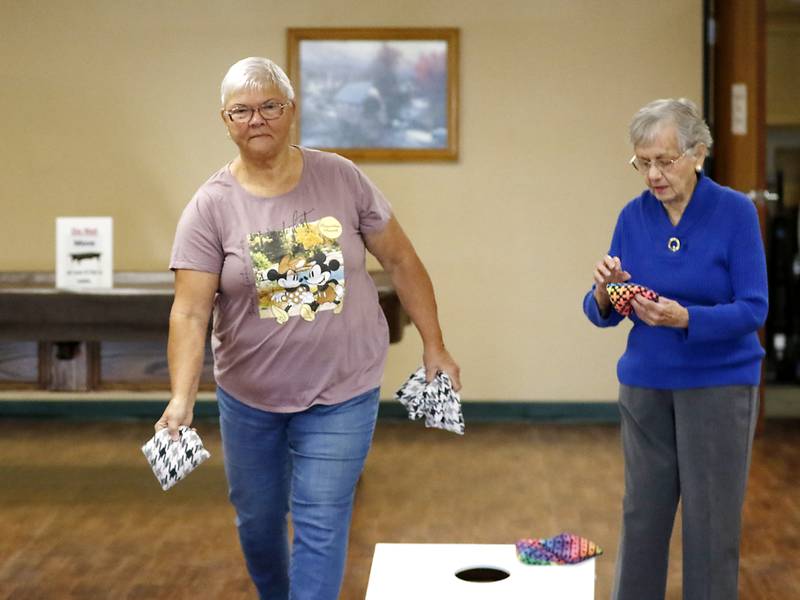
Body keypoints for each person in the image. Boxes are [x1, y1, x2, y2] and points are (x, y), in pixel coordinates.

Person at [154, 56, 460, 600]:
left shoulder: (340, 178)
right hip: (250, 396)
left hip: (343, 388)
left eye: (270, 105)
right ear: (225, 120)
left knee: (322, 517)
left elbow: (403, 261)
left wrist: (435, 346)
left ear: (291, 110)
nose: (257, 119)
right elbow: (190, 311)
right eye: (241, 110)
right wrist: (180, 399)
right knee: (258, 520)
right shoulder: (211, 207)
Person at [583, 98, 767, 599]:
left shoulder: (735, 213)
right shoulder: (632, 216)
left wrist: (688, 318)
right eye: (643, 163)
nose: (653, 175)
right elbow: (606, 308)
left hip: (718, 385)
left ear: (698, 153)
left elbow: (754, 308)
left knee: (710, 527)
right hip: (646, 383)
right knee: (642, 518)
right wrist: (607, 290)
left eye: (664, 161)